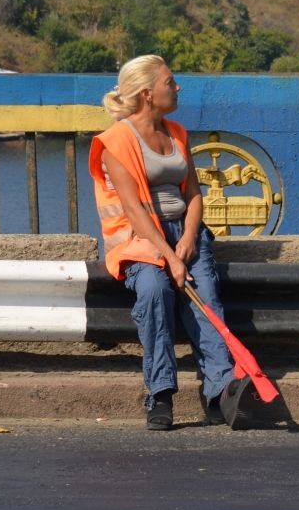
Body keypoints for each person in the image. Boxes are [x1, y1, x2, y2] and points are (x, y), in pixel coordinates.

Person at [88, 55, 245, 430]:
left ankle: (220, 393)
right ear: (147, 93)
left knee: (206, 298)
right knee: (154, 292)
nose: (177, 87)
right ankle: (160, 394)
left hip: (184, 232)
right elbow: (134, 209)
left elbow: (193, 193)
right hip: (141, 239)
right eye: (170, 82)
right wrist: (170, 257)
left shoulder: (177, 132)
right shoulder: (115, 142)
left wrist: (189, 237)